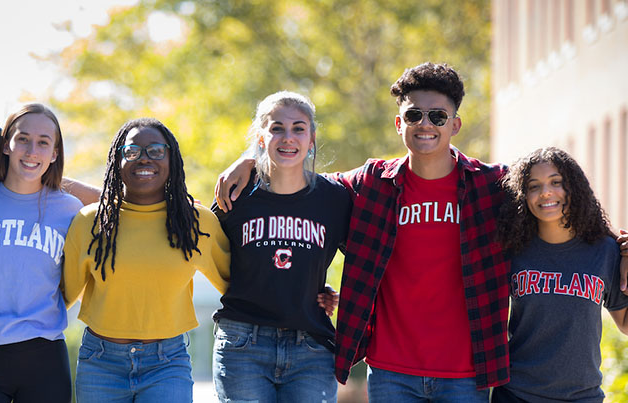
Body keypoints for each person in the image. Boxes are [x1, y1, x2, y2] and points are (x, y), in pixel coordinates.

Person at [216, 62, 510, 401]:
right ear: (399, 124)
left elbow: (543, 190)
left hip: (466, 372)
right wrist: (250, 158)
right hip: (390, 370)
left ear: (455, 124)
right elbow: (293, 173)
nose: (425, 124)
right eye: (414, 116)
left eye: (438, 117)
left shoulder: (489, 186)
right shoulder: (372, 184)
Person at [62, 118, 231, 402]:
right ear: (117, 159)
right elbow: (62, 295)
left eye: (155, 150)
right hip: (100, 363)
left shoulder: (195, 222)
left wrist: (307, 296)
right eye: (132, 151)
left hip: (167, 364)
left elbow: (238, 285)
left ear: (171, 159)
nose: (144, 159)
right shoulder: (90, 222)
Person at [210, 91, 351, 402]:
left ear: (312, 138)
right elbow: (205, 253)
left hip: (311, 348)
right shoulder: (236, 193)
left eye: (299, 128)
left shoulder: (336, 198)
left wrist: (337, 293)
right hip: (243, 343)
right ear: (262, 136)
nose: (288, 137)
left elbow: (368, 257)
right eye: (277, 128)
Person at [0, 104, 81, 402]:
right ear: (7, 145)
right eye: (23, 138)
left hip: (45, 356)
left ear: (54, 154)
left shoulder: (71, 210)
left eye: (43, 142)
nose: (31, 150)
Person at [491, 147, 628, 402]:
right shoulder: (512, 250)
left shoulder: (605, 251)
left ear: (573, 188)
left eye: (556, 182)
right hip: (516, 395)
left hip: (581, 397)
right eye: (534, 186)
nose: (546, 192)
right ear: (523, 195)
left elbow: (625, 324)